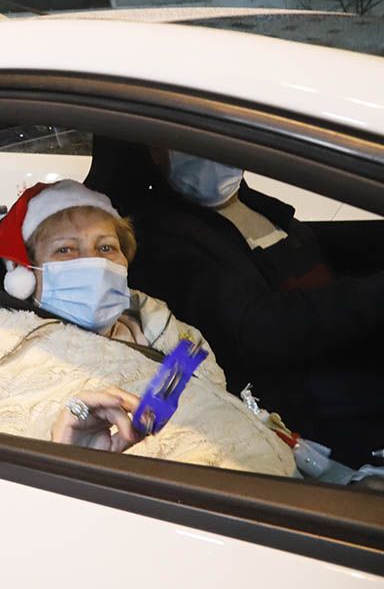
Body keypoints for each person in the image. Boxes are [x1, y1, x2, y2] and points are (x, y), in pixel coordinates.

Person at [0, 179, 298, 476]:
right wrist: (68, 450)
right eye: (65, 250)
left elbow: (212, 407)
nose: (92, 262)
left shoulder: (165, 331)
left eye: (106, 247)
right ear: (26, 275)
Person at [119, 148, 384, 466]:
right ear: (153, 151)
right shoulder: (161, 236)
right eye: (193, 143)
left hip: (336, 350)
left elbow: (313, 243)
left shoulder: (246, 202)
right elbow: (260, 329)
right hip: (298, 392)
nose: (215, 153)